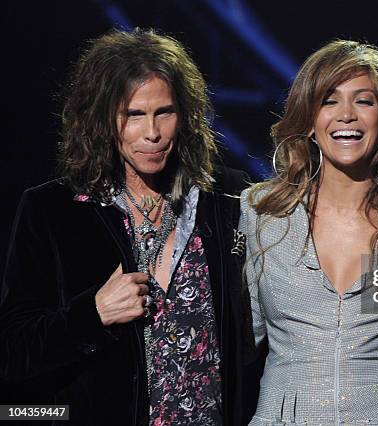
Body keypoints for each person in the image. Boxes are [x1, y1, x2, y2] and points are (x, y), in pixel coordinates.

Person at [0, 28, 250, 425]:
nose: (152, 133)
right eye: (133, 115)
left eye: (164, 112)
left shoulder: (228, 198)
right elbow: (12, 351)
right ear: (101, 119)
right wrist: (92, 314)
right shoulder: (54, 210)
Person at [239, 40, 378, 424]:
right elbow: (236, 343)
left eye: (364, 101)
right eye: (329, 100)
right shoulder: (261, 213)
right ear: (308, 118)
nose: (347, 115)